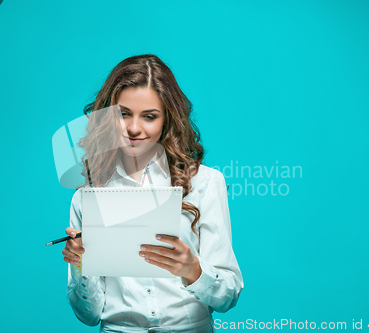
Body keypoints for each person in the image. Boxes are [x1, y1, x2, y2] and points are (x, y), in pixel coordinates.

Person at [62, 54, 243, 333]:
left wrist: (192, 270)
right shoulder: (88, 195)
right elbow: (89, 315)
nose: (134, 128)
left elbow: (229, 296)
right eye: (124, 114)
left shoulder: (205, 182)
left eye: (149, 116)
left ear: (167, 119)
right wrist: (80, 267)